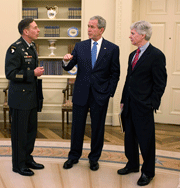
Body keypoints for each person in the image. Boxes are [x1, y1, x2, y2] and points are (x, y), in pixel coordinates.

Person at [62, 15, 120, 171]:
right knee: (77, 127)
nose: (88, 29)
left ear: (101, 30)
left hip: (101, 95)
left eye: (92, 27)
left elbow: (115, 73)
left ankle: (94, 158)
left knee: (98, 128)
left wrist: (109, 92)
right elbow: (69, 67)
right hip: (81, 93)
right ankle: (73, 156)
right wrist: (66, 60)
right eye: (88, 26)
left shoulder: (112, 48)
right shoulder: (79, 46)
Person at [118, 20, 167, 186]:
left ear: (142, 35)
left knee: (146, 141)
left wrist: (152, 103)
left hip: (144, 106)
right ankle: (132, 165)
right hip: (129, 105)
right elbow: (128, 80)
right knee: (129, 138)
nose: (130, 36)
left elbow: (160, 83)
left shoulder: (157, 55)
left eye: (132, 33)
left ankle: (148, 172)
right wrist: (123, 101)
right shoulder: (133, 55)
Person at [5, 18, 45, 176]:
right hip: (20, 99)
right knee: (19, 133)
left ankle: (28, 159)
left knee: (30, 131)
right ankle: (18, 165)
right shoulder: (15, 49)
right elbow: (10, 73)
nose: (38, 30)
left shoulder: (32, 46)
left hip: (31, 98)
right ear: (26, 31)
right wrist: (32, 73)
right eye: (35, 28)